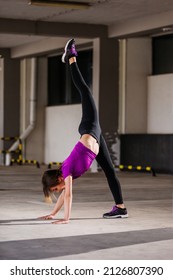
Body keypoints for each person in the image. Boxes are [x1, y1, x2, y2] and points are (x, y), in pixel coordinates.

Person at [40, 39, 128, 224]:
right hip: (96, 140)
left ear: (58, 179)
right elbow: (65, 195)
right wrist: (54, 214)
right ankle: (120, 208)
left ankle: (71, 57)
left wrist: (66, 219)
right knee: (110, 172)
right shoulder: (67, 175)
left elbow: (69, 196)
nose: (58, 192)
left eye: (55, 189)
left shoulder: (66, 170)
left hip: (89, 127)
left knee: (85, 91)